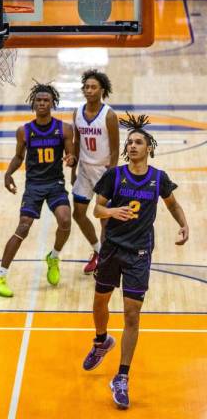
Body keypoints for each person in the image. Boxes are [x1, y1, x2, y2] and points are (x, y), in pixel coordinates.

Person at [82, 113, 188, 410]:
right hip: (112, 249)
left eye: (138, 142)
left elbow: (173, 204)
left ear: (148, 148)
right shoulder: (114, 176)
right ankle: (101, 340)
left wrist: (184, 224)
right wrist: (112, 212)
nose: (132, 146)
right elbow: (96, 211)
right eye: (129, 142)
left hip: (140, 253)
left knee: (131, 315)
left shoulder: (158, 178)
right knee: (100, 303)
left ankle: (122, 376)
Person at [0, 82, 76, 298]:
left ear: (52, 103)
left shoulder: (64, 129)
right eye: (38, 100)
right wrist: (8, 173)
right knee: (23, 227)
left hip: (55, 184)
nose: (42, 103)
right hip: (34, 186)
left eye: (46, 100)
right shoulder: (24, 131)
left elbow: (71, 155)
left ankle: (54, 257)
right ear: (33, 103)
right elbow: (19, 156)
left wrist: (71, 158)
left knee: (65, 220)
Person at [72, 70, 119, 273]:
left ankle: (106, 261)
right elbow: (76, 143)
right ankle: (99, 251)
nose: (89, 90)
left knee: (105, 221)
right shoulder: (77, 112)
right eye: (86, 87)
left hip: (104, 172)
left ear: (102, 90)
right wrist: (72, 169)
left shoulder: (109, 115)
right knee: (78, 214)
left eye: (93, 87)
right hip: (84, 170)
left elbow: (116, 149)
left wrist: (113, 174)